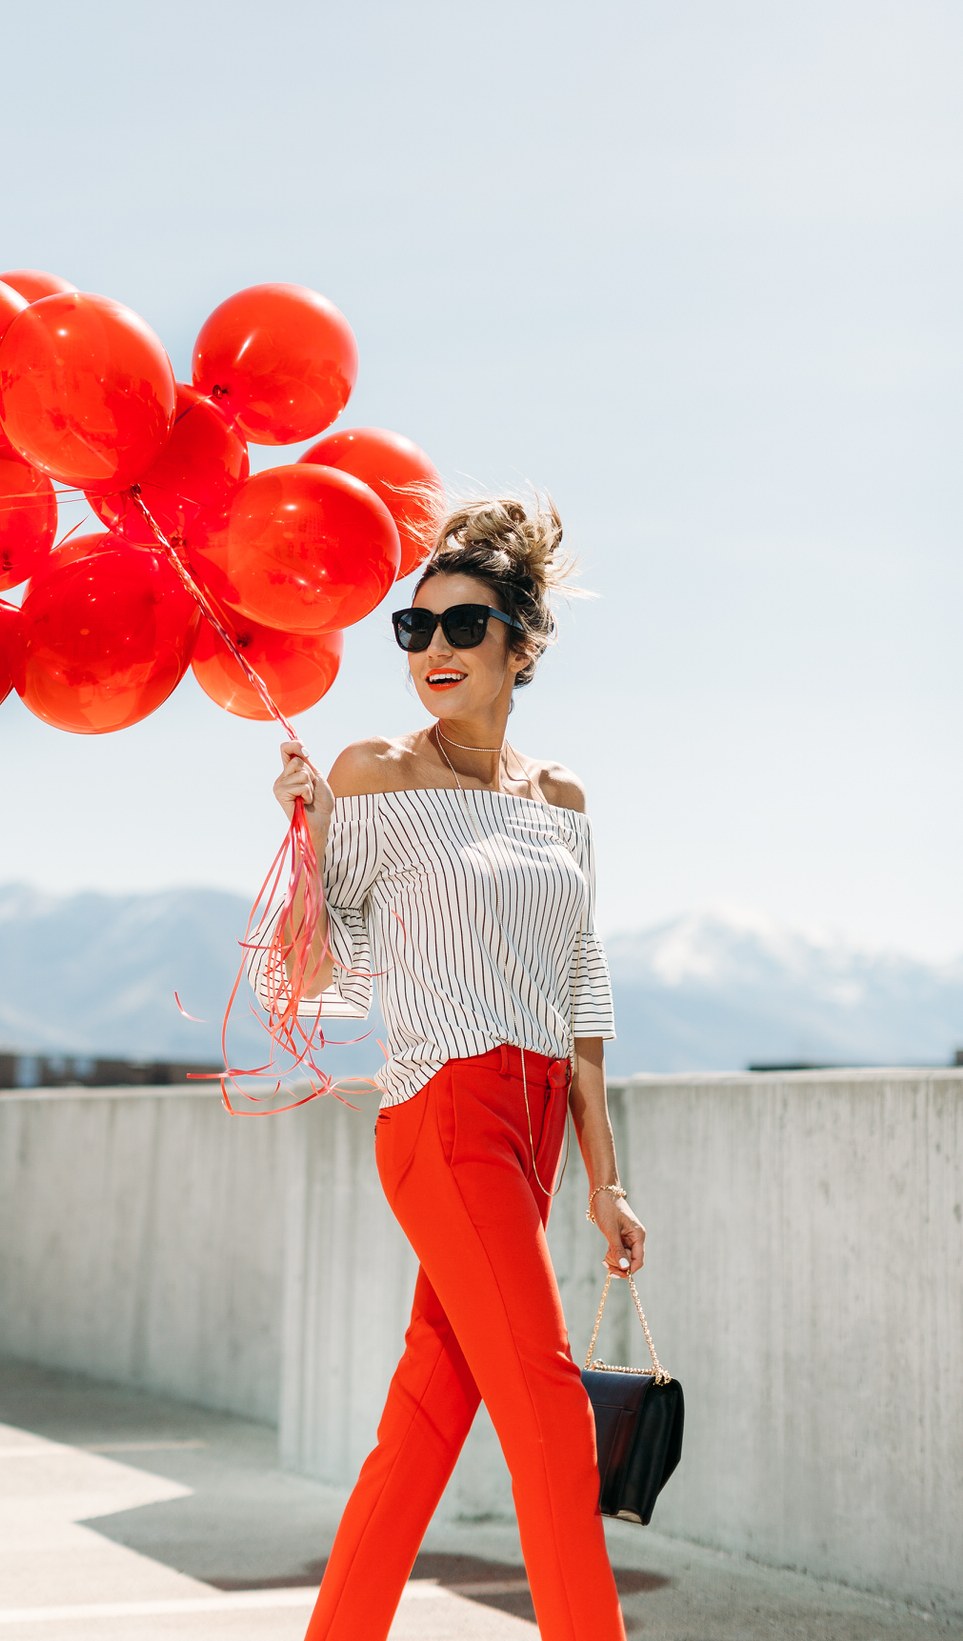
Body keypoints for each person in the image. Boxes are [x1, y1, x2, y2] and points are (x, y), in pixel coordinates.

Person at [268, 494, 644, 1641]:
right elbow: (311, 974)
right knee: (547, 1412)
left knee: (425, 1424)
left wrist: (602, 1177)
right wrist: (305, 839)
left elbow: (581, 996)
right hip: (441, 1112)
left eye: (462, 626)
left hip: (532, 1128)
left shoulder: (561, 798)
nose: (432, 650)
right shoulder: (374, 774)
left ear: (520, 644)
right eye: (412, 629)